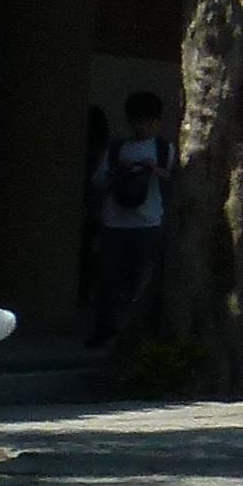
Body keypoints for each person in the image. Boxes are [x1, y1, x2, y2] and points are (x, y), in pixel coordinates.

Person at [85, 90, 174, 364]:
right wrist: (119, 172)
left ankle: (139, 335)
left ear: (157, 122)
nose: (141, 126)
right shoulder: (116, 149)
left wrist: (153, 170)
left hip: (148, 223)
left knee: (142, 283)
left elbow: (176, 181)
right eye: (137, 120)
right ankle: (104, 330)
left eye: (147, 121)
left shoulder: (163, 149)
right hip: (115, 222)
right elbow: (98, 181)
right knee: (109, 280)